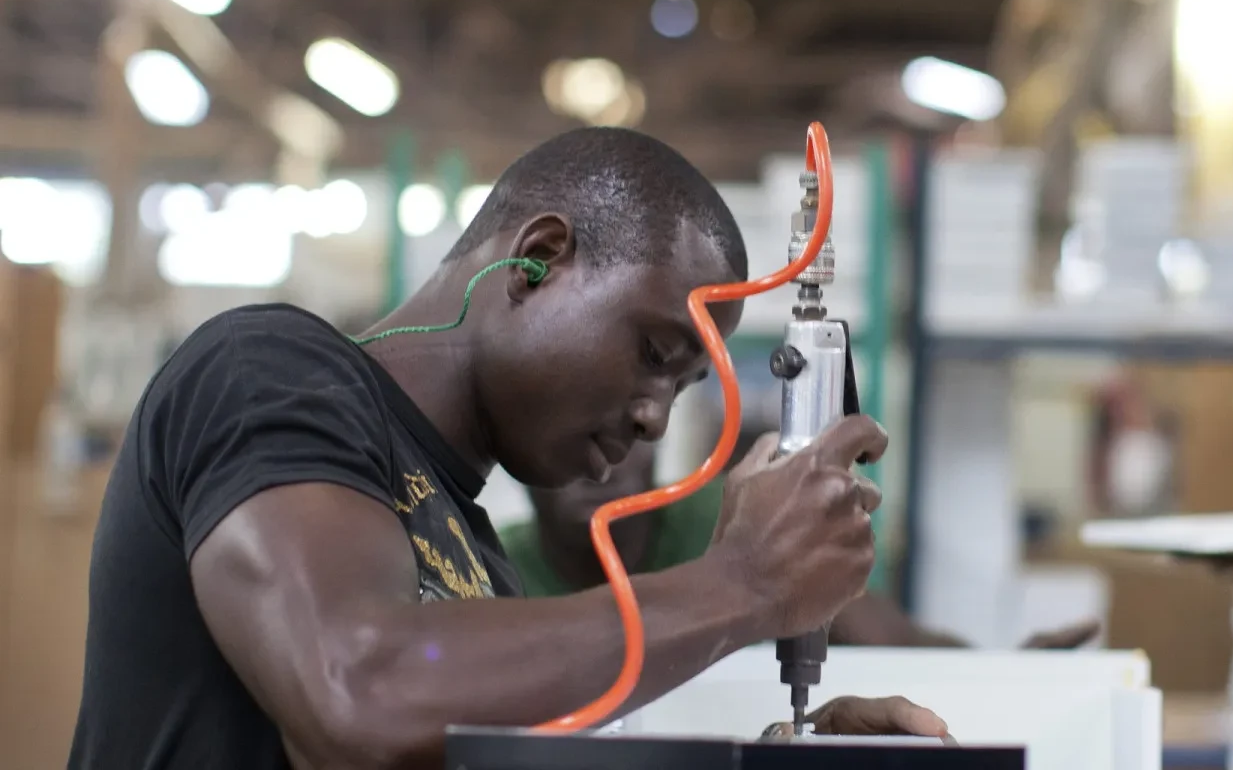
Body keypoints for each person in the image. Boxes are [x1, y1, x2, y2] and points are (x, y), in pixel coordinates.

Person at [70, 127, 949, 770]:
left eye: (683, 391)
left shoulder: (480, 567)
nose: (654, 419)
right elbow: (359, 689)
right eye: (654, 354)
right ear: (539, 258)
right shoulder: (265, 371)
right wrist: (743, 582)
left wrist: (770, 755)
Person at [501, 439, 1101, 649]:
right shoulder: (486, 568)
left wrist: (1002, 674)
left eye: (622, 427)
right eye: (567, 432)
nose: (598, 462)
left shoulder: (732, 518)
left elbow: (889, 639)